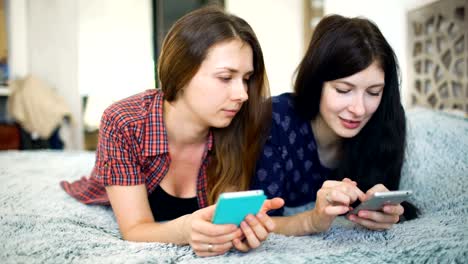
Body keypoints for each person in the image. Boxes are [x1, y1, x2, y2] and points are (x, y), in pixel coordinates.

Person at [61, 6, 283, 257]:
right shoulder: (123, 122)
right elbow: (134, 228)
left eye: (246, 79)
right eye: (225, 77)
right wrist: (184, 230)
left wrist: (239, 232)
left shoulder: (237, 122)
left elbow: (223, 219)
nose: (242, 94)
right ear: (181, 72)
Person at [253, 14, 419, 235]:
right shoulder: (274, 120)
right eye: (343, 90)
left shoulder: (386, 120)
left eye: (373, 92)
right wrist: (311, 221)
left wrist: (388, 213)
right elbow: (257, 221)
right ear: (316, 82)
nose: (359, 109)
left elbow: (389, 199)